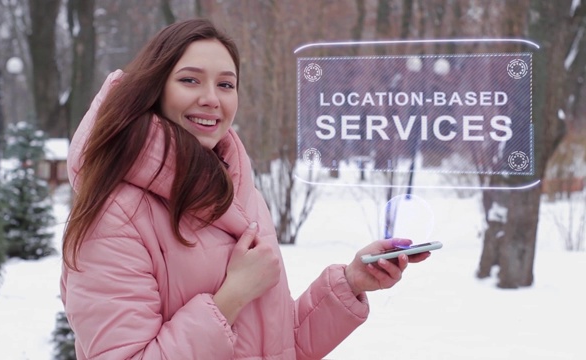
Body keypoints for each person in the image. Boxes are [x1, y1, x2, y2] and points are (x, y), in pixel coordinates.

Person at [60, 18, 431, 360]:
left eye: (226, 84)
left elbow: (278, 345)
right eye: (190, 80)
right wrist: (232, 296)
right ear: (153, 89)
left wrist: (351, 282)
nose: (211, 98)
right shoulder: (114, 217)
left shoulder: (238, 194)